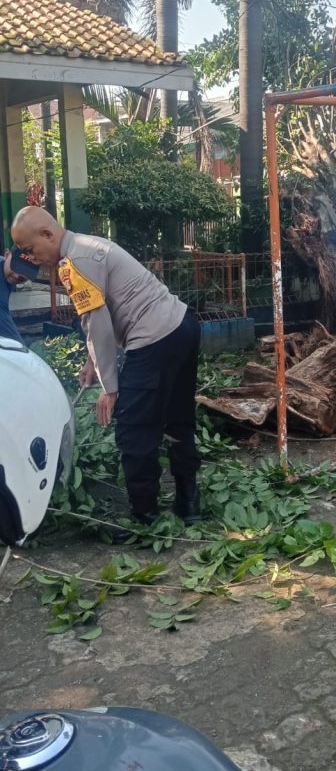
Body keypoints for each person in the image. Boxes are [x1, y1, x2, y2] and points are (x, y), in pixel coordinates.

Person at [11, 206, 202, 534]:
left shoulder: (74, 263)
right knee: (178, 417)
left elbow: (97, 321)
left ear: (48, 234)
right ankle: (189, 504)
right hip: (181, 325)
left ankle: (145, 518)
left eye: (30, 250)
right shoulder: (85, 246)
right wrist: (91, 360)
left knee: (133, 429)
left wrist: (109, 387)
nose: (31, 258)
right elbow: (100, 317)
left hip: (154, 336)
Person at [0, 249, 31, 343]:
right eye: (17, 267)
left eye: (26, 271)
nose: (18, 275)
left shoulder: (7, 273)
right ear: (6, 255)